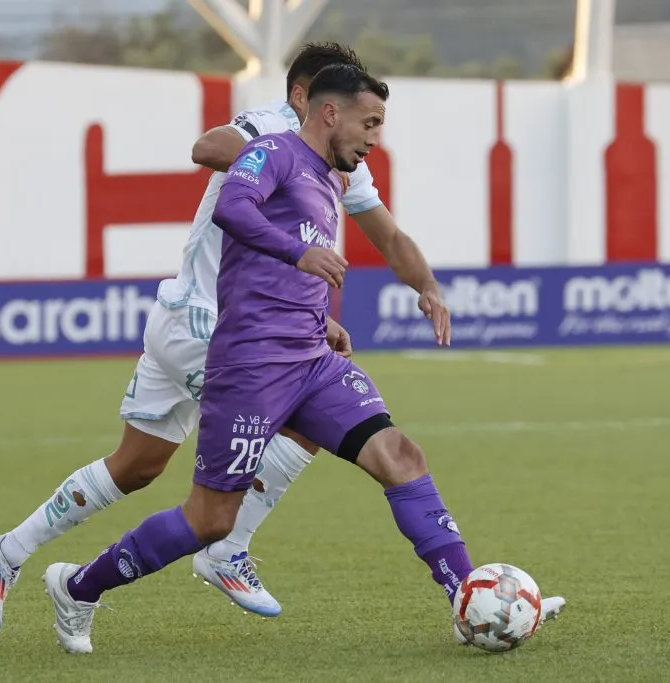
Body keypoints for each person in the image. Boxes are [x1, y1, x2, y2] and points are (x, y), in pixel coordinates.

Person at [41, 64, 564, 655]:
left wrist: (407, 293)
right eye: (370, 123)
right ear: (329, 112)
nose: (374, 138)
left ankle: (472, 597)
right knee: (210, 520)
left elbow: (382, 239)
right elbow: (232, 208)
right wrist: (300, 253)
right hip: (250, 366)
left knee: (400, 454)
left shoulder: (334, 177)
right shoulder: (274, 153)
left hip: (311, 360)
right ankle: (78, 587)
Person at [0, 42, 437, 630]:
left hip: (187, 317)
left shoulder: (344, 164)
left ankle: (6, 550)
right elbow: (207, 146)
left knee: (135, 466)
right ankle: (225, 550)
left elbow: (389, 236)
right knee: (309, 406)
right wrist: (271, 161)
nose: (359, 128)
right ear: (310, 100)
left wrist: (427, 286)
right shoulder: (272, 131)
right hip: (212, 324)